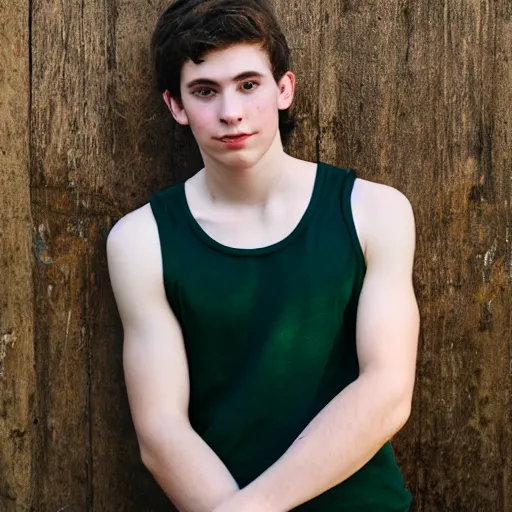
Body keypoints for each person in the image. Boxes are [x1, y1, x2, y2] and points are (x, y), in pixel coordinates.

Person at [106, 0, 420, 510]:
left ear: (284, 89)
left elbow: (387, 392)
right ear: (176, 106)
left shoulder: (374, 211)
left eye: (249, 84)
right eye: (205, 91)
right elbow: (161, 431)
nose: (231, 112)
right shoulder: (140, 240)